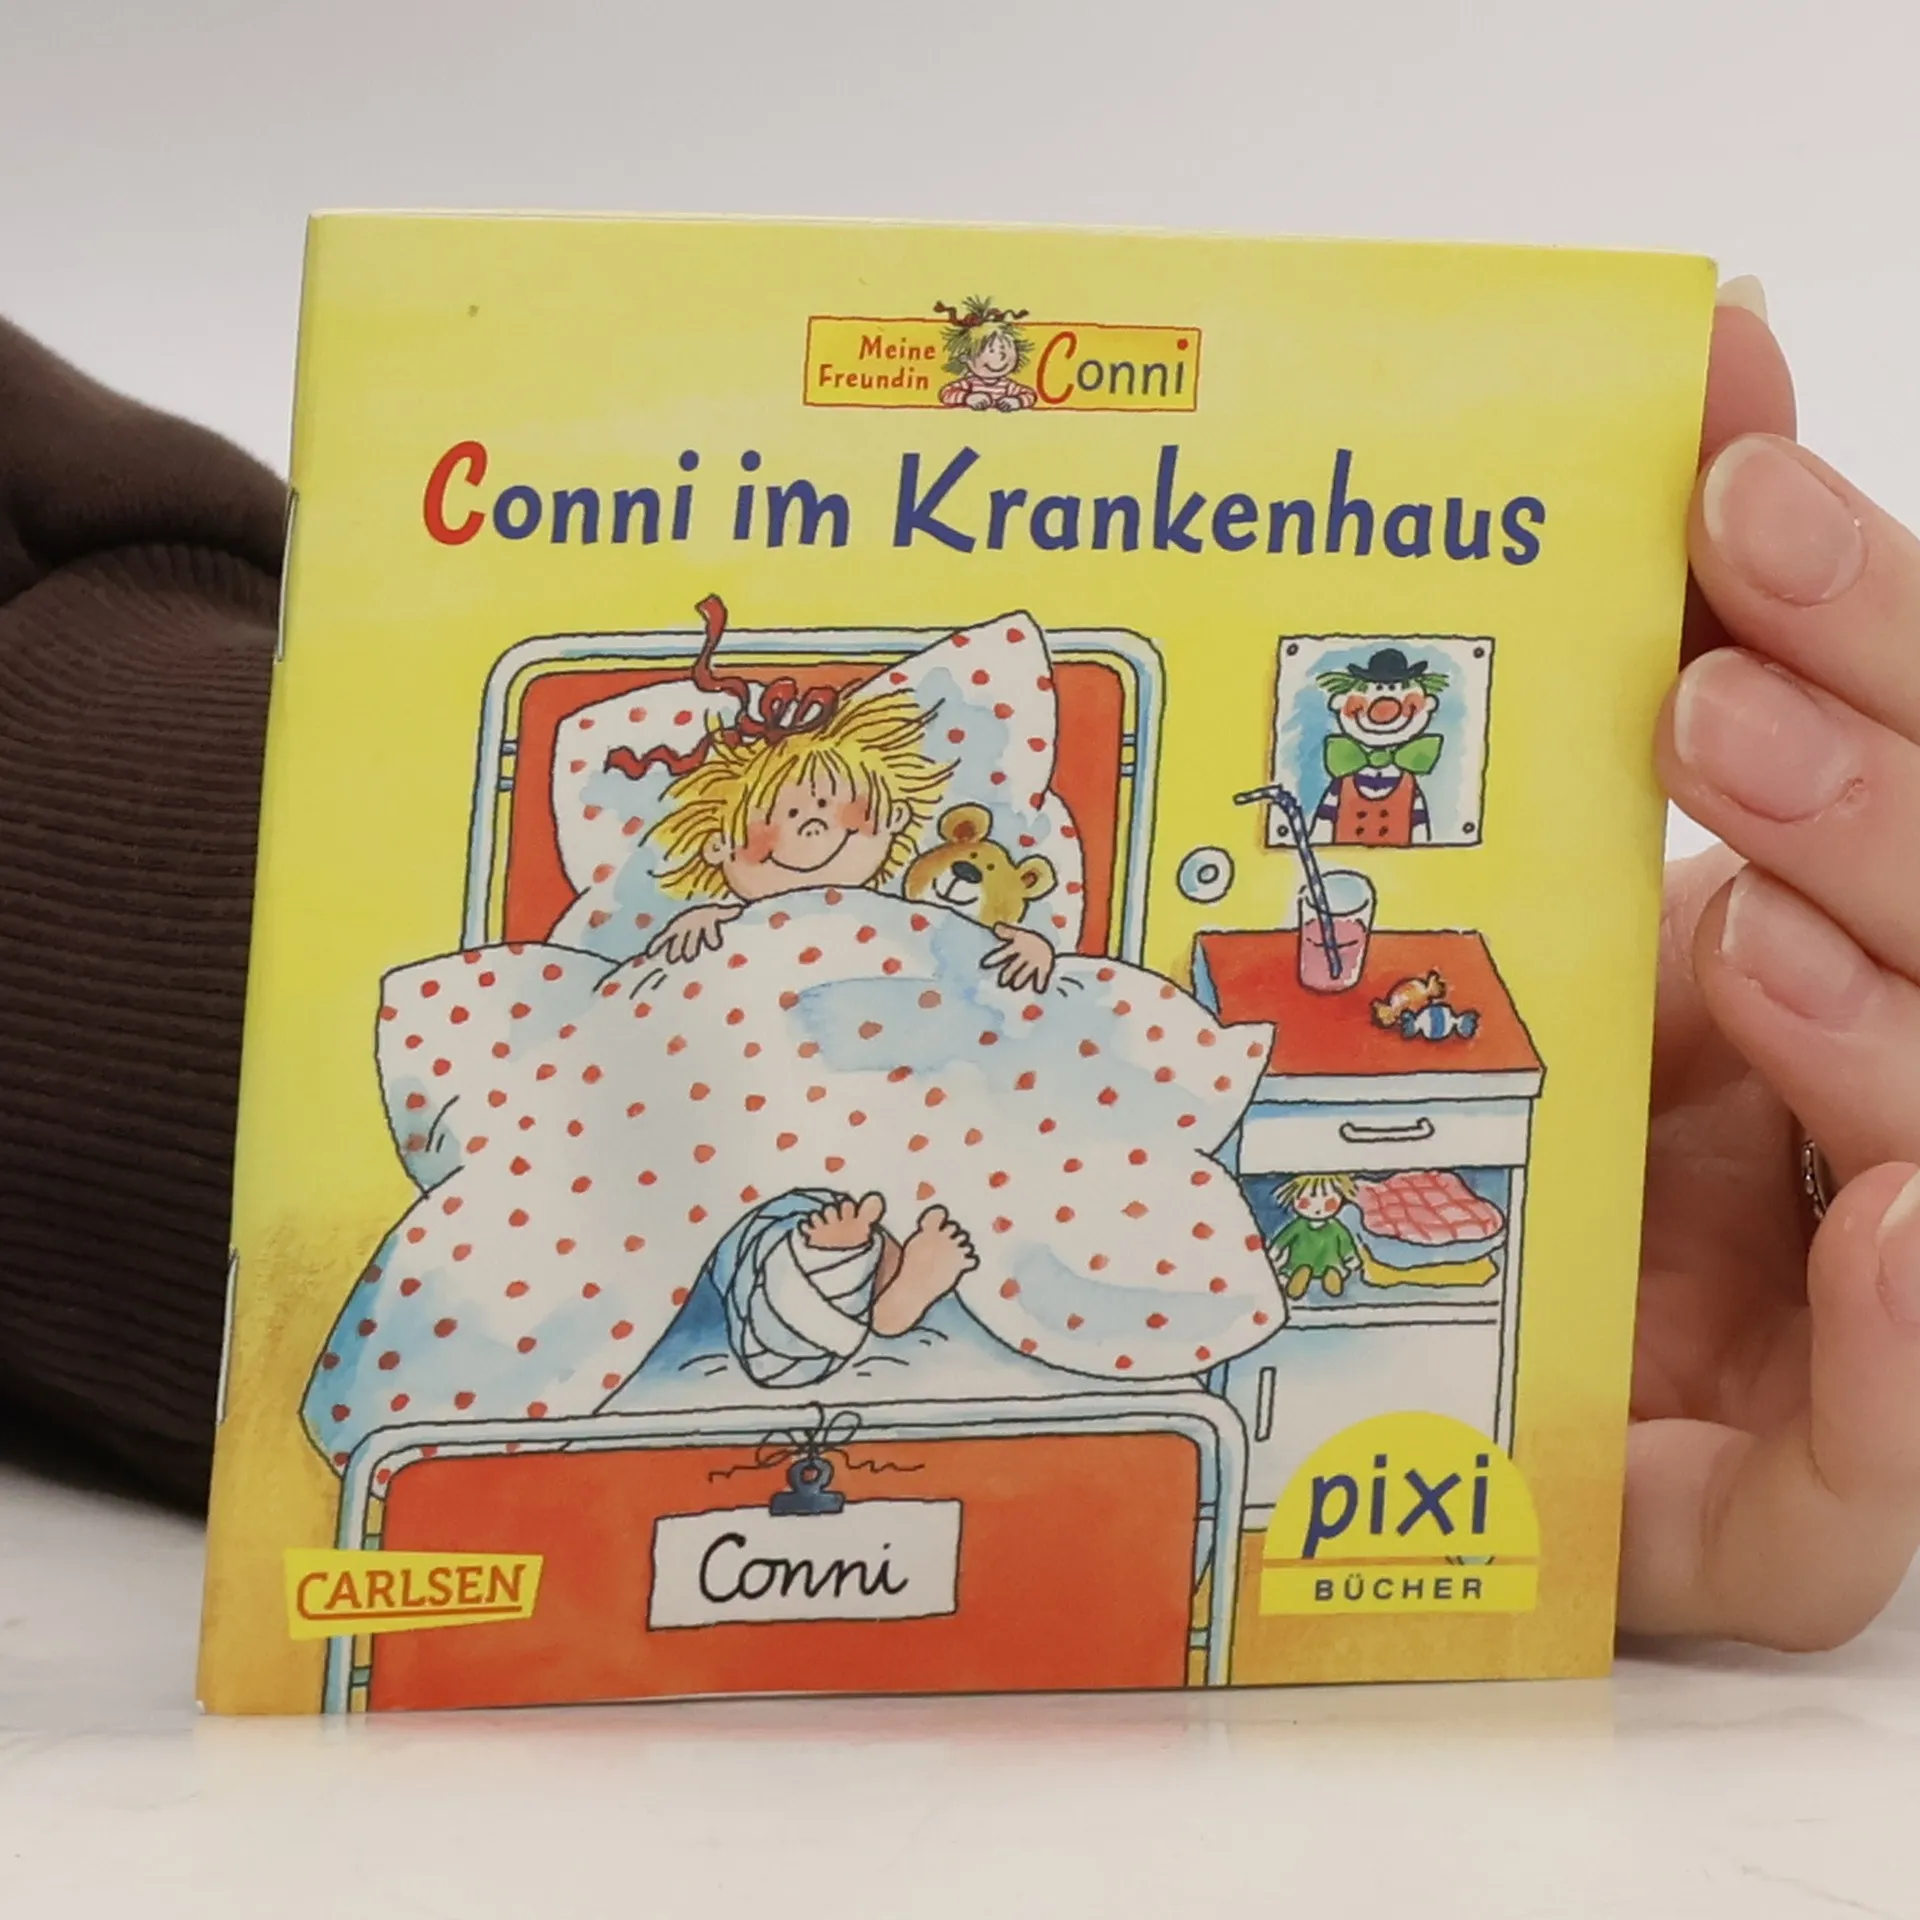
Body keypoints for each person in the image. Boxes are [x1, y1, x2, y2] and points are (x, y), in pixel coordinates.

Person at [0, 280, 1914, 1654]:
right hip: (695, 1059)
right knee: (655, 1169)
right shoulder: (696, 920)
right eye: (779, 826)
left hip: (929, 1037)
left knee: (1038, 1124)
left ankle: (870, 1266)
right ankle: (819, 1276)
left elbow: (1012, 995)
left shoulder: (936, 898)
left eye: (842, 817)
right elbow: (634, 1000)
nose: (810, 844)